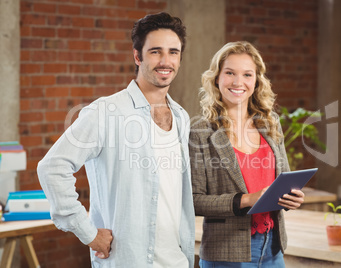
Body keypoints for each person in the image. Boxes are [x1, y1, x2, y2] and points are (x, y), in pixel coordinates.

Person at [37, 12, 195, 268]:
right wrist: (88, 233)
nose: (166, 61)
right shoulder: (106, 112)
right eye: (155, 51)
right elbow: (52, 168)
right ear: (137, 55)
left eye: (173, 52)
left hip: (177, 260)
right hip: (128, 260)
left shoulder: (181, 116)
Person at [189, 41, 305, 267]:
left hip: (273, 249)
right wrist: (246, 200)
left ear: (257, 80)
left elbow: (284, 181)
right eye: (230, 73)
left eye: (247, 74)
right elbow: (193, 201)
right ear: (217, 78)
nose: (238, 82)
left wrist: (292, 198)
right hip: (226, 254)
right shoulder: (201, 132)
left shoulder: (270, 125)